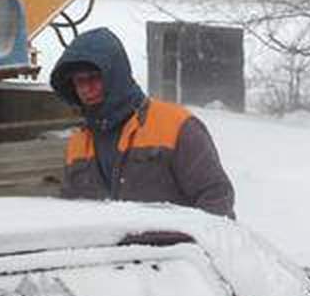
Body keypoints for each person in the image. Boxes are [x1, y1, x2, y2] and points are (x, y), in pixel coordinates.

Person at [50, 28, 235, 216]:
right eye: (79, 81)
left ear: (116, 76)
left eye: (94, 77)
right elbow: (71, 217)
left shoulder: (176, 127)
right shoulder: (78, 146)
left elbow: (216, 200)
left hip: (175, 236)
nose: (86, 89)